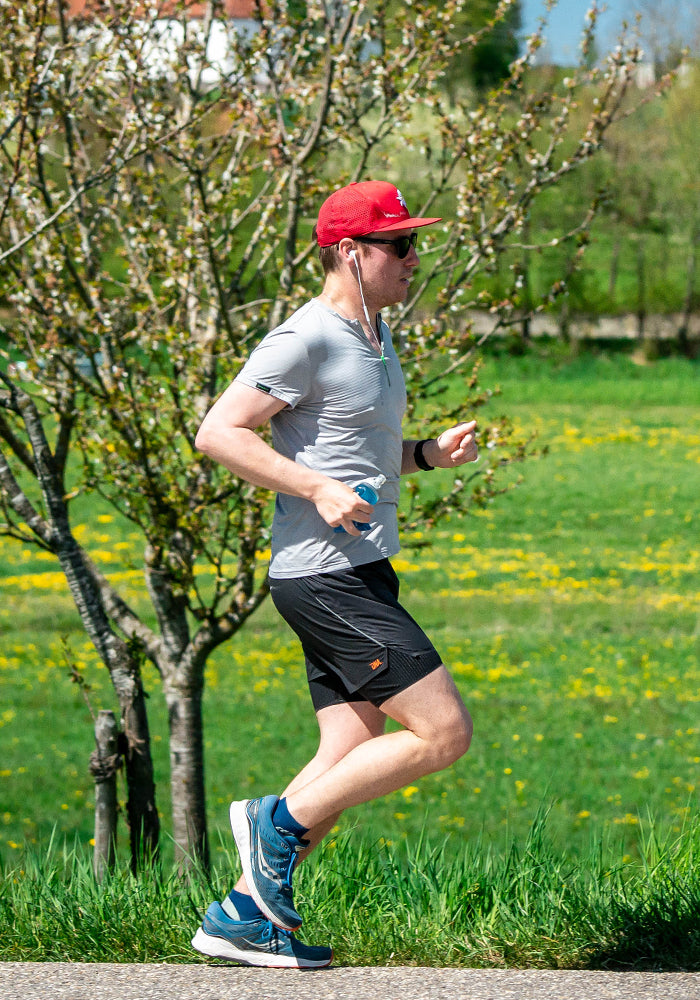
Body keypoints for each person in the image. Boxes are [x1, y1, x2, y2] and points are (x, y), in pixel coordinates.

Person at [191, 180, 478, 969]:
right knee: (444, 731)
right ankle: (275, 825)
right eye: (400, 246)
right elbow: (218, 432)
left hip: (364, 569)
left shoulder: (376, 336)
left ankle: (243, 918)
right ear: (351, 253)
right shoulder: (304, 337)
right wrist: (311, 487)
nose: (414, 259)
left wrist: (424, 455)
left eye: (414, 243)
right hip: (324, 576)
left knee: (348, 752)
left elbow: (354, 454)